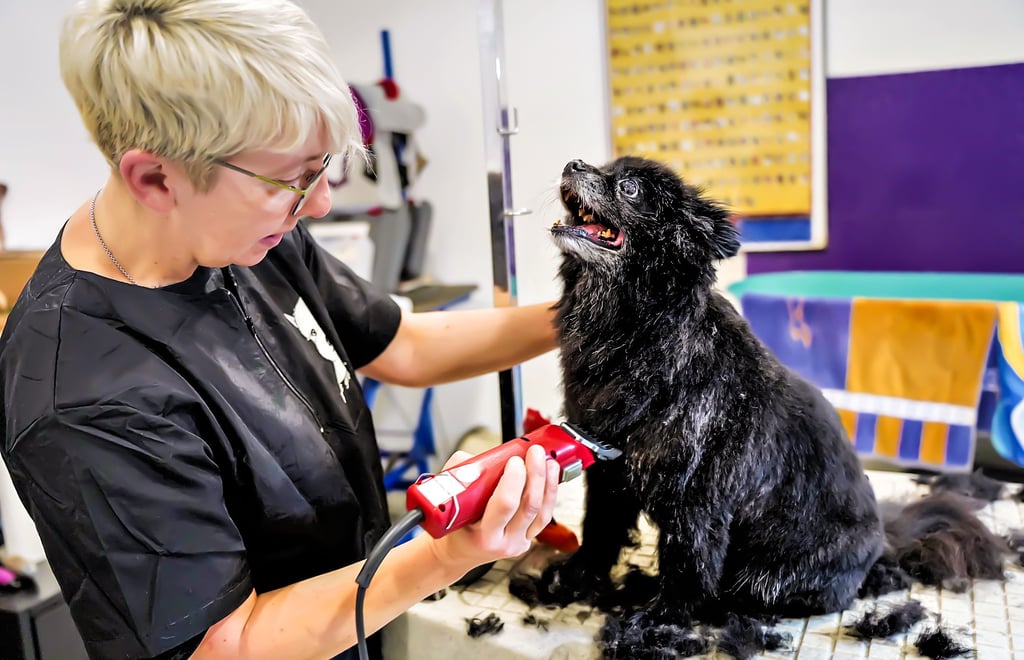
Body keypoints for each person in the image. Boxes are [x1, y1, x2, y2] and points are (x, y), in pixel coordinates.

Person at [0, 1, 562, 658]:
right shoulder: (84, 394)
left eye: (320, 168)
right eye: (293, 178)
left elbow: (403, 345)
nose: (319, 203)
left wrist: (589, 322)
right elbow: (226, 646)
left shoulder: (243, 233)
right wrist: (446, 557)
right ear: (155, 177)